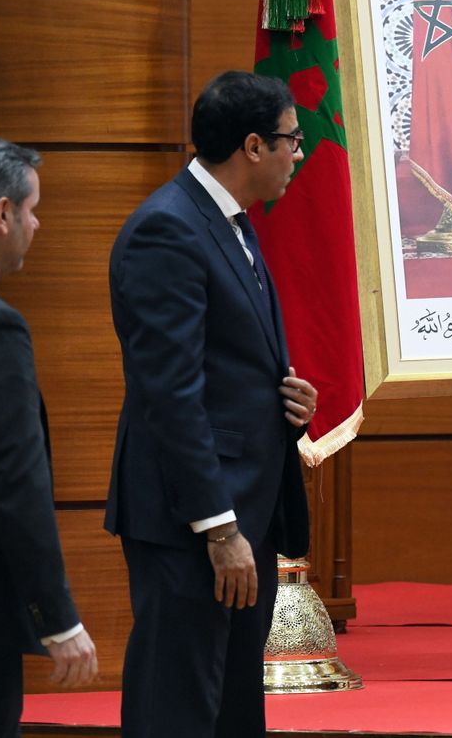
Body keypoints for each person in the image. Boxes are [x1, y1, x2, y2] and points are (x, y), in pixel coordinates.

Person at [106, 71, 318, 735]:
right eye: (292, 139)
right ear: (253, 146)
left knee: (231, 710)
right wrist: (219, 529)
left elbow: (224, 364)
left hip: (244, 511)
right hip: (193, 522)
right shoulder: (166, 229)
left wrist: (285, 399)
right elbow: (169, 393)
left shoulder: (231, 223)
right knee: (176, 707)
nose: (300, 153)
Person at [0, 137, 99, 735]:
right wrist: (58, 618)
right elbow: (15, 483)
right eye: (32, 209)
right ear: (2, 213)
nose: (37, 223)